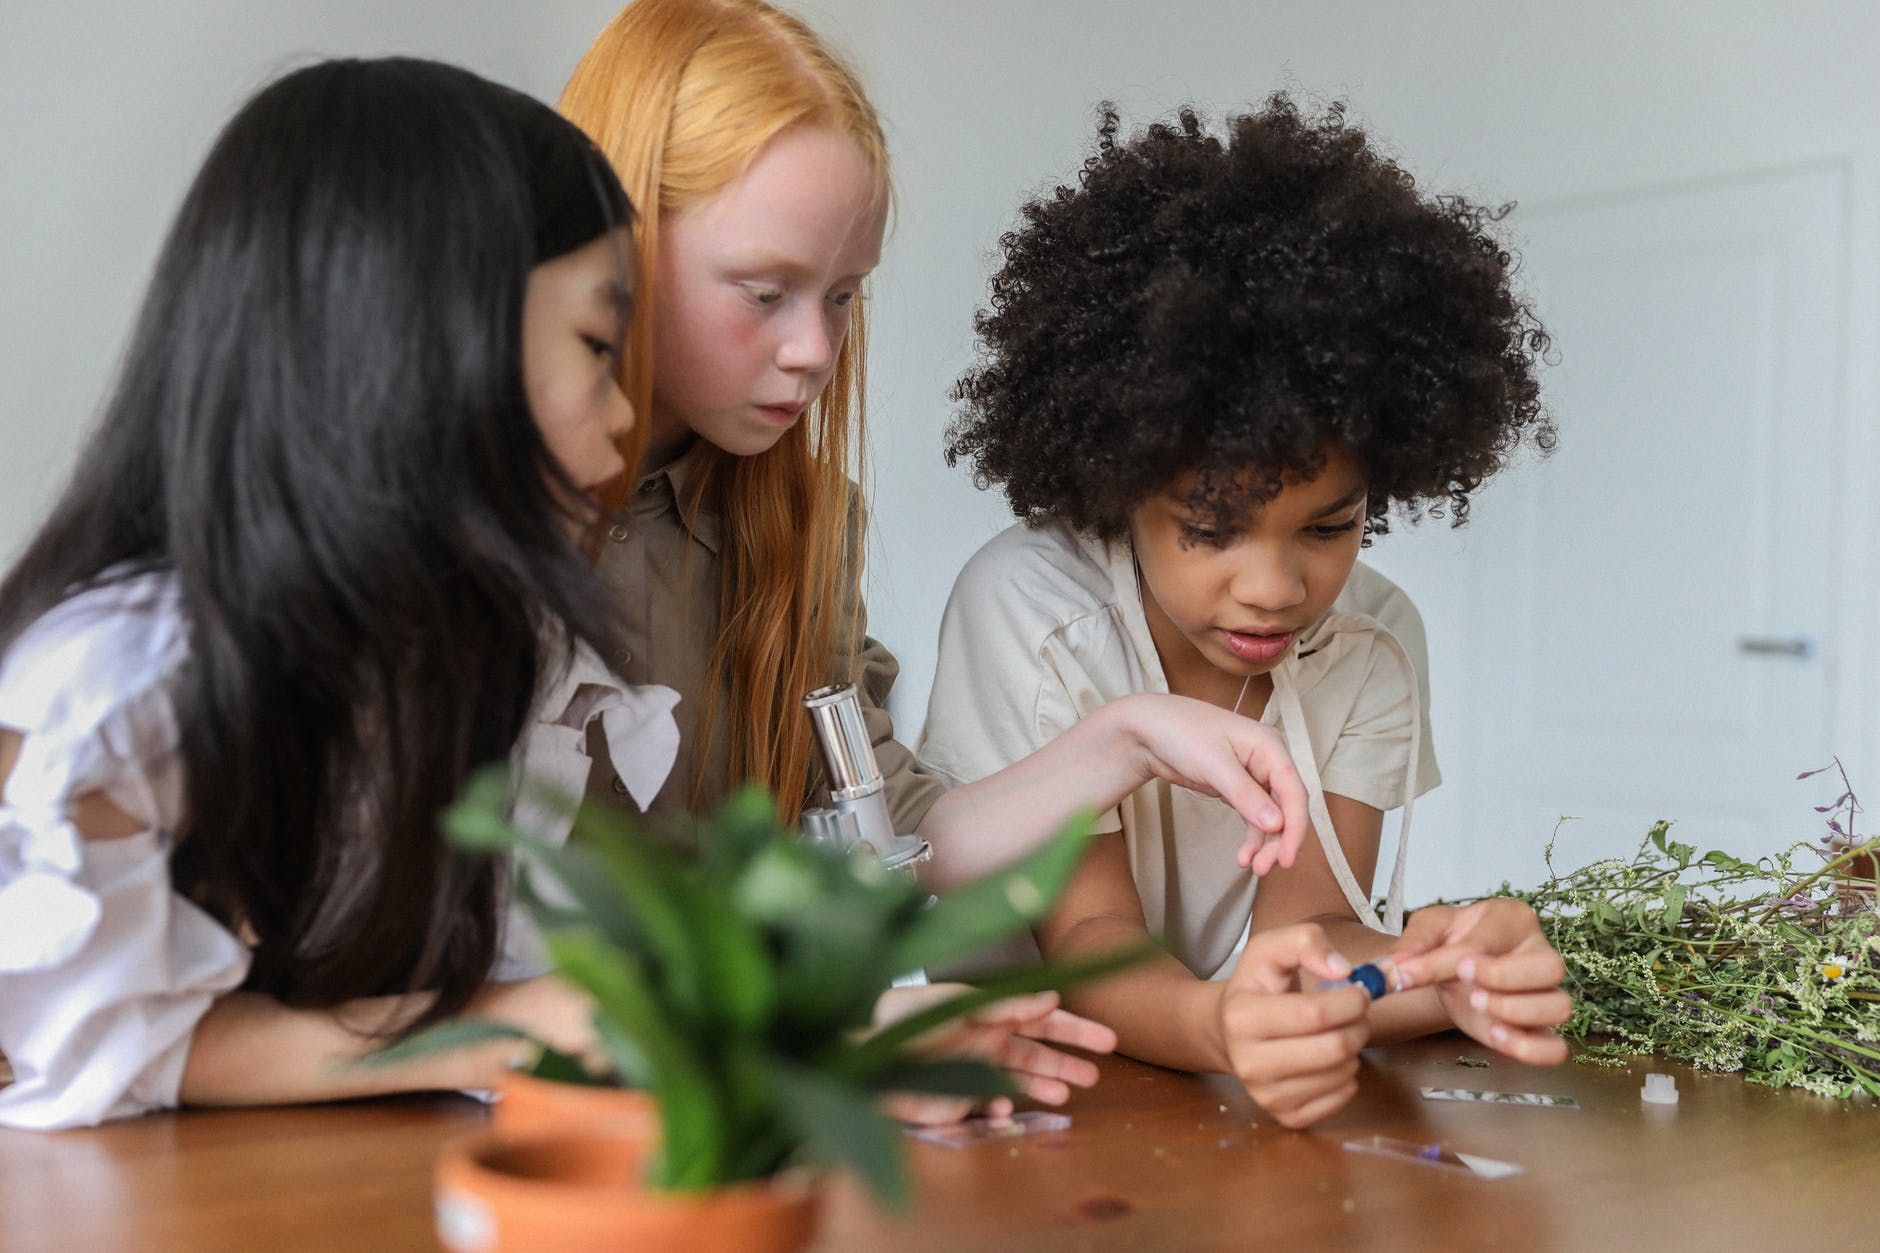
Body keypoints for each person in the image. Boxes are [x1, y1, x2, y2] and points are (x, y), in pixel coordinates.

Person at [0, 56, 1096, 1132]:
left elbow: (555, 995)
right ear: (424, 349)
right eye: (593, 346)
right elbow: (105, 1043)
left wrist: (819, 1045)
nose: (621, 410)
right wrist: (510, 1027)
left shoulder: (503, 651)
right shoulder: (113, 689)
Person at [559, 0, 1314, 896]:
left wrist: (1132, 737)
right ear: (624, 242)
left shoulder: (805, 518)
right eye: (766, 292)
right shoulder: (452, 507)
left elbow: (889, 839)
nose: (814, 349)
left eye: (844, 296)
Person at [922, 97, 1574, 1129]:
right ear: (1117, 477)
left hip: (1191, 1091)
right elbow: (1089, 933)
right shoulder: (1032, 608)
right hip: (1014, 1090)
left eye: (1329, 525)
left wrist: (1432, 970)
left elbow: (1312, 922)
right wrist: (1220, 1024)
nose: (1275, 588)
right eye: (1210, 527)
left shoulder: (1372, 638)